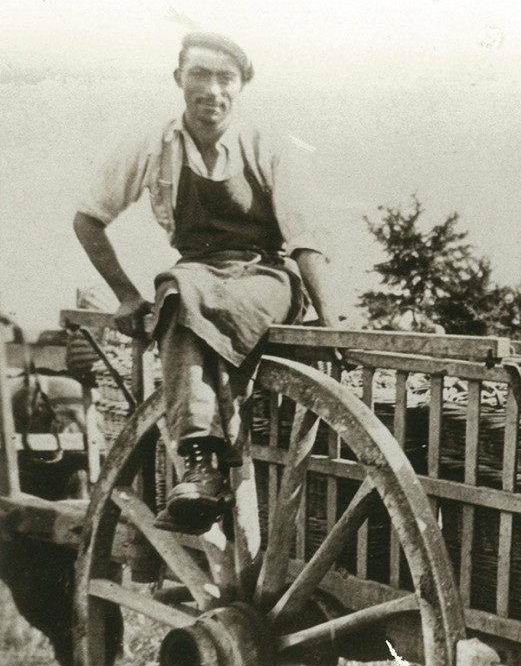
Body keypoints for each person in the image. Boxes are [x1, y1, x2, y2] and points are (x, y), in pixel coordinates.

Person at [73, 32, 343, 534]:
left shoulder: (268, 144)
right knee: (175, 289)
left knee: (184, 293)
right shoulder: (154, 146)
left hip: (265, 275)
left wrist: (329, 320)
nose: (212, 90)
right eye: (200, 75)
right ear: (179, 79)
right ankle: (200, 460)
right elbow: (89, 218)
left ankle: (206, 460)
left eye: (226, 78)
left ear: (242, 87)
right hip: (195, 270)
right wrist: (127, 296)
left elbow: (304, 234)